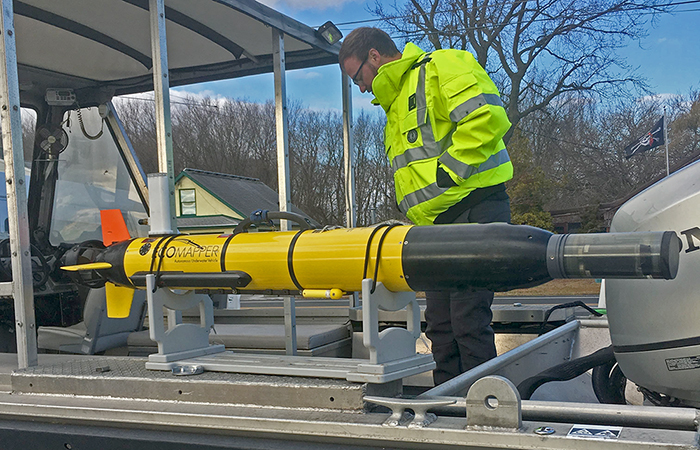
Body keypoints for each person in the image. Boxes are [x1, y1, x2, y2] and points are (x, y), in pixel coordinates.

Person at [339, 28, 513, 385]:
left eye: (358, 77)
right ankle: (450, 410)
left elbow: (487, 118)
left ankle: (487, 411)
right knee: (442, 327)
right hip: (436, 229)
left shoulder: (440, 67)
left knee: (468, 322)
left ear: (374, 57)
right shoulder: (396, 104)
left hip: (474, 210)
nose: (360, 88)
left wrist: (449, 172)